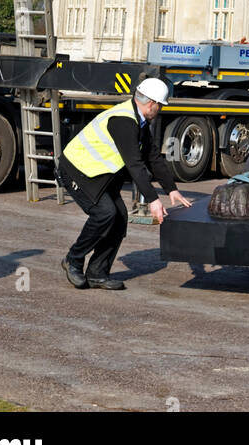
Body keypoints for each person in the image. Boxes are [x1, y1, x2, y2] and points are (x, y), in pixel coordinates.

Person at [59, 76, 191, 290]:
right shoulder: (124, 120)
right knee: (105, 213)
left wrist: (172, 190)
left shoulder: (138, 120)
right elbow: (135, 164)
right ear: (152, 104)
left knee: (119, 218)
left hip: (98, 174)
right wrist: (153, 200)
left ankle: (97, 273)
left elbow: (152, 157)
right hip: (77, 171)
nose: (160, 110)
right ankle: (73, 259)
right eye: (160, 106)